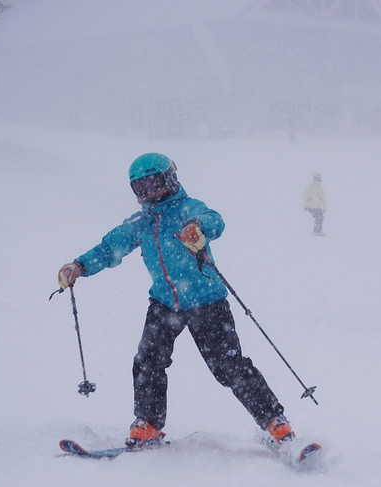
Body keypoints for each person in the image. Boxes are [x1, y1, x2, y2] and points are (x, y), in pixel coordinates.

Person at [57, 152, 294, 447]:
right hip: (164, 304)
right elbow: (109, 248)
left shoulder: (187, 209)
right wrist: (79, 266)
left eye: (153, 183)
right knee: (147, 362)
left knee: (228, 366)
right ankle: (149, 423)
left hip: (207, 302)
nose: (148, 192)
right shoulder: (141, 222)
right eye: (140, 188)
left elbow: (215, 220)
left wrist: (197, 227)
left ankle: (275, 422)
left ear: (169, 178)